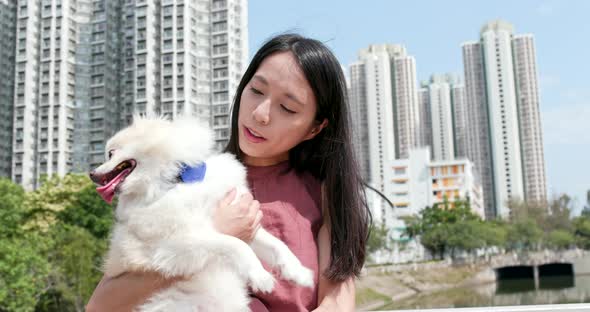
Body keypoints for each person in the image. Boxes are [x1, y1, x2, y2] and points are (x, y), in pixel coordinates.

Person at [86, 33, 370, 312]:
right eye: (256, 91)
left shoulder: (323, 195)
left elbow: (336, 303)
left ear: (315, 127)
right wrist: (214, 237)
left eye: (287, 107)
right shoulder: (186, 180)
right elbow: (101, 305)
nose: (261, 113)